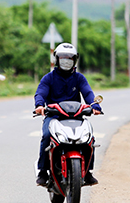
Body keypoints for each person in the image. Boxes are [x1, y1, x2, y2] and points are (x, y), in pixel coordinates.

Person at [34, 42, 102, 187]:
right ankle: (43, 171)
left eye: (70, 58)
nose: (66, 61)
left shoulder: (79, 78)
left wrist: (94, 105)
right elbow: (40, 93)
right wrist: (39, 105)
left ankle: (88, 172)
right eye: (63, 58)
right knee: (47, 136)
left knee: (89, 138)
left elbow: (88, 93)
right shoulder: (48, 78)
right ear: (56, 59)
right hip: (54, 117)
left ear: (75, 60)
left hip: (75, 116)